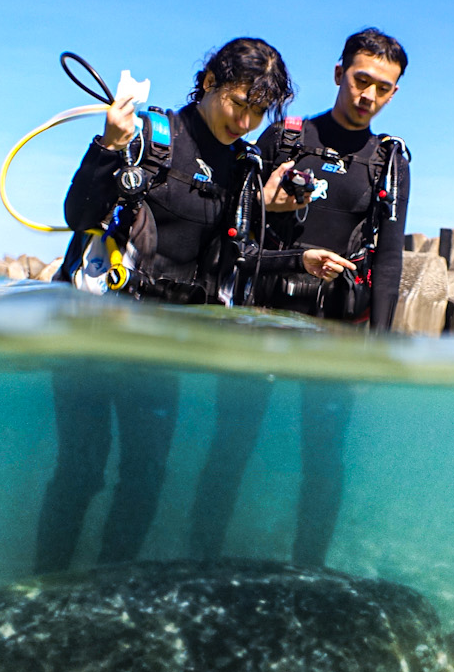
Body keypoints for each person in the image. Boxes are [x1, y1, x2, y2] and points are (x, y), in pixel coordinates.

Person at [34, 39, 353, 575]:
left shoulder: (243, 167)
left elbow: (243, 256)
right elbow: (76, 213)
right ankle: (40, 587)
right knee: (81, 470)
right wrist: (109, 147)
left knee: (146, 475)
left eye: (258, 110)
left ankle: (107, 593)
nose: (246, 120)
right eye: (238, 101)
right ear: (208, 82)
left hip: (164, 343)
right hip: (94, 329)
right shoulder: (152, 137)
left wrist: (300, 259)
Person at [189, 28, 411, 569]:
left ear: (394, 93)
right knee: (231, 443)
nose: (369, 96)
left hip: (334, 330)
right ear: (340, 74)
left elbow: (389, 258)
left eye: (383, 88)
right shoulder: (285, 139)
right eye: (361, 80)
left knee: (324, 457)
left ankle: (307, 570)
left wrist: (377, 346)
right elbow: (237, 234)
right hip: (263, 316)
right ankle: (202, 563)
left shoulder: (388, 159)